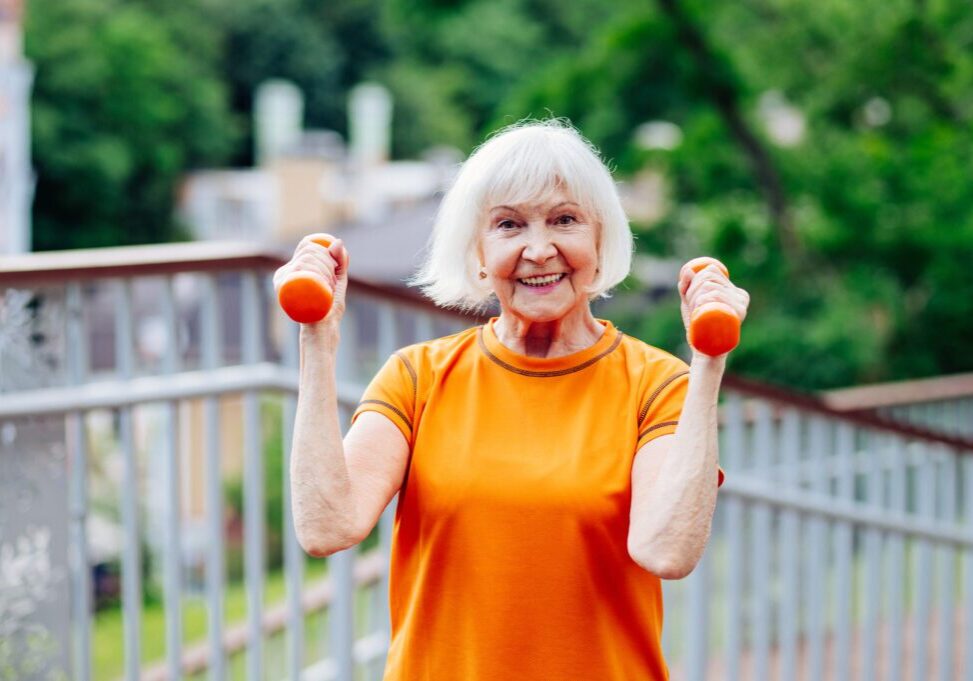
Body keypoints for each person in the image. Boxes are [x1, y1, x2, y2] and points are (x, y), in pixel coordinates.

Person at [276, 119, 750, 680]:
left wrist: (708, 363)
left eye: (565, 220)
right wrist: (317, 341)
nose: (539, 249)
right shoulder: (417, 377)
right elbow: (327, 527)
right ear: (478, 252)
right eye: (509, 225)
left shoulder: (657, 384)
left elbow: (667, 550)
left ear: (600, 242)